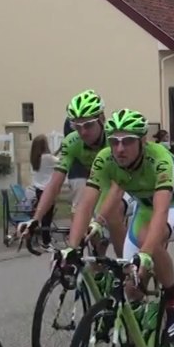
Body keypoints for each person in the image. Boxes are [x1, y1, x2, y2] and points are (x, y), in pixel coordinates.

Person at [59, 108, 174, 336]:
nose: (120, 148)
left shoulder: (159, 158)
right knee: (130, 284)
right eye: (114, 142)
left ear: (143, 140)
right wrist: (72, 248)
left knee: (147, 242)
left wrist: (145, 254)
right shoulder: (106, 158)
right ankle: (140, 337)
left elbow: (161, 210)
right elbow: (86, 203)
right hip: (145, 207)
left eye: (128, 141)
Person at [24, 90, 126, 258]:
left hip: (126, 182)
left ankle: (125, 266)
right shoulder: (72, 141)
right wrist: (36, 218)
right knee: (91, 232)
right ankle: (99, 265)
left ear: (101, 119)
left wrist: (100, 219)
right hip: (99, 183)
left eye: (88, 125)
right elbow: (54, 184)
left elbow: (118, 186)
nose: (83, 132)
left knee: (112, 214)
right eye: (77, 126)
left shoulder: (114, 139)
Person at [28, 133, 59, 248]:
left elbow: (50, 159)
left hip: (38, 189)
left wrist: (58, 150)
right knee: (47, 217)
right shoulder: (48, 158)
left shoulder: (35, 159)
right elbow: (60, 161)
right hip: (48, 190)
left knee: (42, 214)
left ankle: (35, 236)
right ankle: (46, 241)